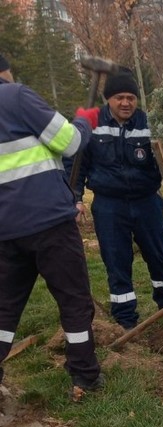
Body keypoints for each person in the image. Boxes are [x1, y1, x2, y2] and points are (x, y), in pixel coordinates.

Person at [0, 53, 104, 392]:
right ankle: (84, 377)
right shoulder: (15, 96)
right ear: (5, 71)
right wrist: (84, 121)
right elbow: (70, 142)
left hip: (5, 230)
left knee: (3, 309)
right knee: (74, 300)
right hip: (49, 224)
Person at [68, 69, 163, 330]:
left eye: (131, 98)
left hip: (146, 201)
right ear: (108, 100)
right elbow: (76, 164)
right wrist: (76, 198)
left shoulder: (149, 124)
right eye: (119, 98)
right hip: (108, 205)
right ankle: (125, 317)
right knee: (116, 259)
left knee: (158, 254)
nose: (126, 103)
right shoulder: (92, 125)